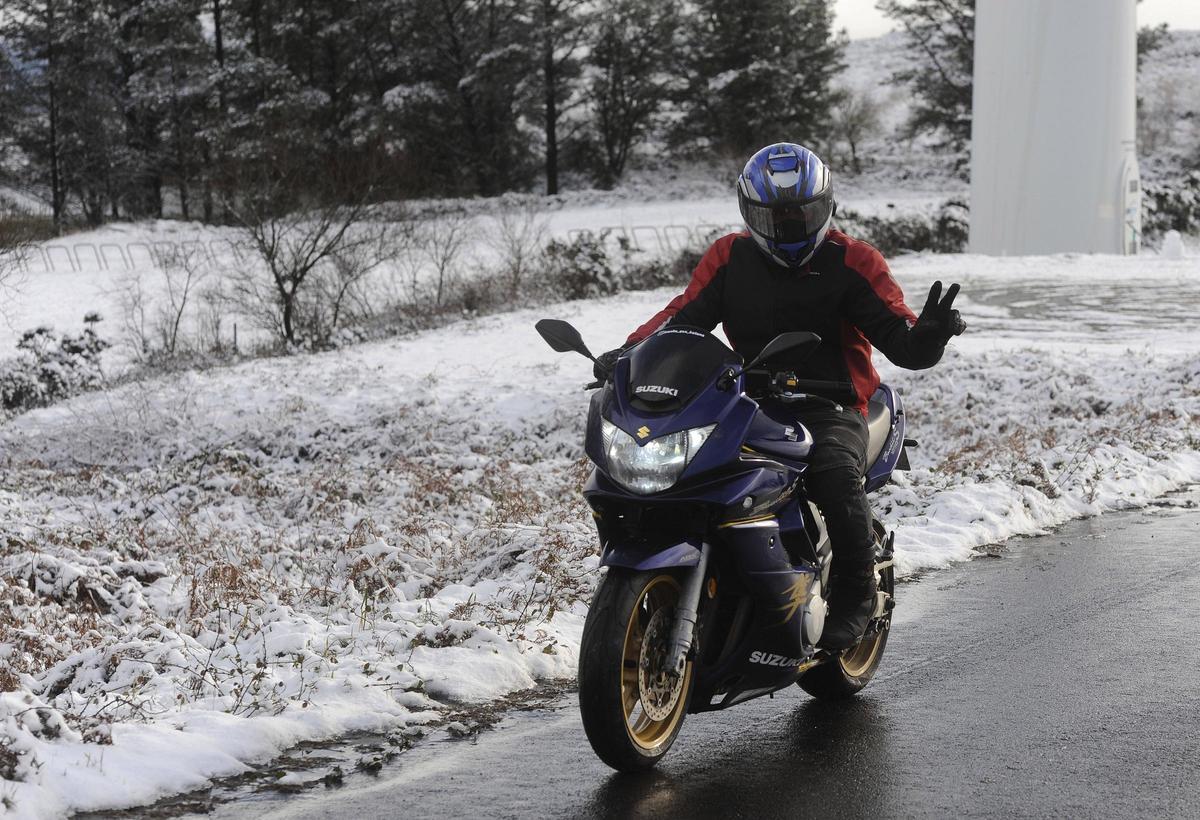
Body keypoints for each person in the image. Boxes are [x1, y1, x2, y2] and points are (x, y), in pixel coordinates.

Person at [594, 142, 965, 649]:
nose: (788, 228)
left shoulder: (854, 261)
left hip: (832, 404)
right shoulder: (730, 257)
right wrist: (630, 353)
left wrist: (929, 335)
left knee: (833, 472)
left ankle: (856, 590)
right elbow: (682, 318)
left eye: (800, 214)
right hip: (749, 399)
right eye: (775, 217)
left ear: (825, 208)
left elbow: (900, 336)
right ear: (751, 214)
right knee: (695, 469)